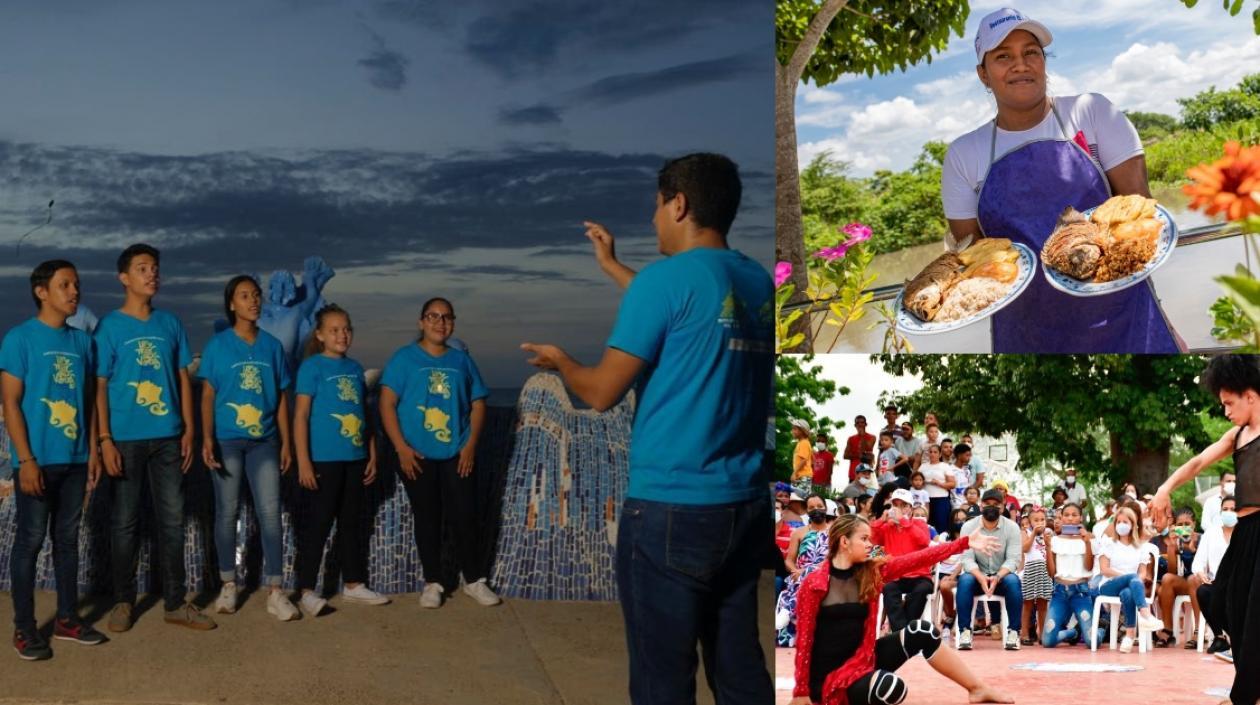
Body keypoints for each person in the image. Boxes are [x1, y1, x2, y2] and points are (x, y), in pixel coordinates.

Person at [520, 153, 774, 703]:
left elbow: (601, 392)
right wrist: (613, 267)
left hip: (670, 509)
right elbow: (692, 315)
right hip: (745, 504)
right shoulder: (755, 281)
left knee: (663, 678)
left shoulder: (664, 282)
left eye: (657, 205)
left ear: (679, 203)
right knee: (738, 667)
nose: (653, 217)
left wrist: (563, 361)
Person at [941, 6, 1178, 353]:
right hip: (1027, 334)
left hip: (1127, 317)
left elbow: (1143, 217)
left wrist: (1168, 322)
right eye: (1003, 56)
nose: (1020, 64)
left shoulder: (1093, 112)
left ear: (1044, 61)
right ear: (983, 74)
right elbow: (975, 258)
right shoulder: (964, 155)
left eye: (1031, 53)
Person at [93, 244, 215, 633]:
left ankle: (176, 603)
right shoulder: (110, 327)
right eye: (143, 268)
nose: (152, 274)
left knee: (173, 521)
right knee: (125, 523)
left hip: (167, 437)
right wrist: (105, 439)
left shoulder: (170, 323)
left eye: (155, 268)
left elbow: (182, 378)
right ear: (124, 278)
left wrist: (189, 429)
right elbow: (99, 385)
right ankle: (124, 601)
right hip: (125, 439)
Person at [789, 514, 1012, 705]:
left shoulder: (871, 572)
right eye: (864, 539)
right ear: (844, 541)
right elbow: (804, 640)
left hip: (863, 662)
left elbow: (917, 559)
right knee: (890, 687)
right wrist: (801, 692)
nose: (870, 544)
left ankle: (977, 688)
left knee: (922, 631)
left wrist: (962, 544)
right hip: (831, 678)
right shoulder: (814, 584)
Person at [2, 260, 107, 660]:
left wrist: (94, 449)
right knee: (29, 542)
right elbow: (10, 403)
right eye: (65, 284)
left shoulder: (83, 343)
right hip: (37, 459)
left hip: (76, 458)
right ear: (41, 292)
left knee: (68, 542)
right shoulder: (20, 339)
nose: (74, 291)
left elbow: (88, 402)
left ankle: (67, 618)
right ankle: (25, 629)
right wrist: (25, 460)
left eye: (77, 284)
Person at [1150, 355, 1260, 705]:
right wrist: (1165, 488)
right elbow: (1198, 462)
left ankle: (1246, 692)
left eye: (1229, 403)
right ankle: (1248, 679)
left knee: (1254, 611)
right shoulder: (1238, 434)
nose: (1226, 410)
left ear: (1251, 397)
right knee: (1220, 600)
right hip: (1244, 532)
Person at [381, 297, 500, 609]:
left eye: (446, 317)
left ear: (453, 323)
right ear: (421, 322)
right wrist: (401, 448)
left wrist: (470, 445)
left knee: (465, 515)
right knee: (428, 517)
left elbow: (477, 403)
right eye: (432, 316)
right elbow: (386, 404)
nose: (439, 322)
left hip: (456, 451)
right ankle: (433, 582)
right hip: (416, 454)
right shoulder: (404, 358)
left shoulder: (461, 360)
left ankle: (474, 580)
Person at [199, 275, 298, 621]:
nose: (253, 301)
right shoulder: (218, 346)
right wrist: (207, 437)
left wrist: (285, 442)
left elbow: (284, 396)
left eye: (256, 295)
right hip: (227, 439)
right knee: (226, 513)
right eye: (245, 296)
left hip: (265, 442)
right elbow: (208, 393)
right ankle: (229, 583)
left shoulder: (272, 347)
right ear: (231, 304)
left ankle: (275, 590)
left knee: (270, 513)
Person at [292, 304, 390, 617]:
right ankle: (307, 590)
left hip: (355, 457)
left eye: (346, 328)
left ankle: (353, 584)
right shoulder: (311, 368)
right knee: (320, 523)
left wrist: (371, 451)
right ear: (320, 335)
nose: (342, 334)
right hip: (324, 459)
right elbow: (301, 416)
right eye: (334, 329)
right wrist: (304, 461)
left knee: (351, 523)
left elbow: (364, 414)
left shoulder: (354, 368)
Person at [955, 489, 1024, 650]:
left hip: (1001, 577)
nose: (991, 507)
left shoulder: (1012, 528)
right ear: (981, 504)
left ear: (1003, 506)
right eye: (987, 504)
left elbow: (1014, 559)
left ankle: (1013, 632)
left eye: (996, 504)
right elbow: (966, 559)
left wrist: (997, 577)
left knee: (1014, 581)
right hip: (977, 576)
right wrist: (980, 577)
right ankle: (965, 631)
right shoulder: (969, 526)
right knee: (964, 580)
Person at [1096, 505, 1164, 652]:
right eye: (1118, 522)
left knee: (1127, 593)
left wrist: (1133, 580)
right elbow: (1104, 570)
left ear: (1133, 525)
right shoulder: (1109, 543)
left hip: (1130, 587)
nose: (1121, 525)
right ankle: (1146, 614)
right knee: (1132, 578)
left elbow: (1142, 573)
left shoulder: (1140, 547)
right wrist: (1128, 577)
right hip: (1109, 585)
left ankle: (1129, 636)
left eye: (1125, 522)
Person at [869, 489, 933, 632]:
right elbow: (873, 543)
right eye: (895, 505)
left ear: (910, 508)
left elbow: (924, 541)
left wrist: (904, 521)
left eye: (903, 505)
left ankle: (904, 631)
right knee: (888, 589)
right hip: (895, 576)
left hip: (920, 576)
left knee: (921, 590)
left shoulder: (919, 524)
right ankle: (901, 632)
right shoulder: (886, 527)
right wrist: (880, 521)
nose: (899, 508)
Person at [777, 495, 832, 647]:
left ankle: (788, 609)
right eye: (812, 508)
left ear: (825, 508)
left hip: (826, 572)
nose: (816, 510)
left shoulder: (835, 532)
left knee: (811, 573)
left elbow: (833, 558)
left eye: (819, 506)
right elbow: (789, 560)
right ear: (807, 511)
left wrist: (806, 571)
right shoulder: (799, 533)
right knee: (806, 576)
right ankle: (795, 625)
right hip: (799, 575)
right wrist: (795, 570)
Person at [1192, 495, 1236, 655]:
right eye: (1225, 509)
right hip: (1216, 583)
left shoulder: (1246, 533)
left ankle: (1236, 636)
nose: (1229, 512)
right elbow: (1197, 563)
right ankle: (1220, 637)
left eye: (1233, 509)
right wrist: (1200, 573)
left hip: (1240, 583)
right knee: (1203, 592)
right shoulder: (1211, 533)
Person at [1151, 507, 1200, 647]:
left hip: (1200, 582)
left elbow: (1201, 568)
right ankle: (1168, 629)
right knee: (1167, 578)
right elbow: (1172, 571)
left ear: (1194, 524)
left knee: (1192, 579)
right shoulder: (1175, 541)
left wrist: (1192, 550)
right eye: (1180, 525)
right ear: (1174, 526)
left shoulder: (1201, 539)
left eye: (1187, 524)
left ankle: (1198, 631)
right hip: (1184, 583)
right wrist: (1172, 548)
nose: (1183, 528)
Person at [1019, 507, 1054, 645]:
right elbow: (1025, 548)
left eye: (1042, 520)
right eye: (1036, 520)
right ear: (1029, 522)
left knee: (1043, 604)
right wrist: (1033, 533)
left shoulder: (1047, 535)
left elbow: (1049, 553)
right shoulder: (1025, 532)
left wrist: (1048, 542)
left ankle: (1043, 633)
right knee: (1027, 603)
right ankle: (1024, 633)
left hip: (1044, 571)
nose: (1040, 522)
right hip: (1031, 570)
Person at [937, 507, 972, 638]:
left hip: (961, 574)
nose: (960, 523)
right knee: (940, 583)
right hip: (941, 572)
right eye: (957, 520)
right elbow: (938, 555)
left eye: (963, 520)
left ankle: (949, 618)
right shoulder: (944, 536)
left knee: (945, 586)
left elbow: (965, 560)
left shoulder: (970, 538)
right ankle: (952, 614)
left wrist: (952, 576)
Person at [918, 444, 957, 535]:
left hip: (941, 499)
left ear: (940, 454)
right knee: (926, 524)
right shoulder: (923, 466)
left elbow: (953, 484)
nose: (932, 454)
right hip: (926, 500)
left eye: (935, 452)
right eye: (930, 452)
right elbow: (916, 479)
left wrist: (939, 483)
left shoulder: (944, 466)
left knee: (941, 525)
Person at [843, 416, 875, 484]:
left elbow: (868, 448)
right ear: (855, 425)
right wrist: (859, 455)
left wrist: (863, 436)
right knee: (852, 493)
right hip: (853, 474)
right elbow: (845, 455)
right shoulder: (851, 439)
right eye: (858, 423)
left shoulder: (872, 437)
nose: (860, 424)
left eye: (862, 422)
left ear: (866, 424)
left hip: (866, 474)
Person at [791, 418, 815, 493]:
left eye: (795, 429)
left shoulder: (804, 443)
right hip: (802, 476)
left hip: (803, 476)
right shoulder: (802, 443)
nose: (792, 431)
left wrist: (794, 473)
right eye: (792, 429)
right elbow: (812, 460)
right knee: (798, 498)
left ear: (802, 431)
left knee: (800, 499)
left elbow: (803, 460)